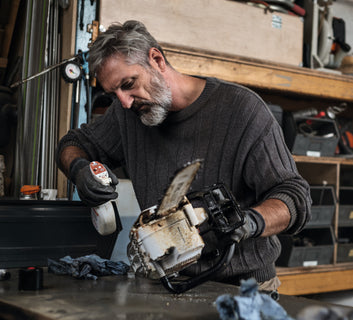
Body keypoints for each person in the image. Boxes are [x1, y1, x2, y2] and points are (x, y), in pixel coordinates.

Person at [56, 20, 311, 292]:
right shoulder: (127, 115)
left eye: (129, 84)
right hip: (167, 284)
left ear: (156, 59)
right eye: (113, 94)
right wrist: (79, 169)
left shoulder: (242, 110)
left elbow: (295, 197)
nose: (125, 101)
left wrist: (247, 223)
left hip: (244, 286)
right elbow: (73, 143)